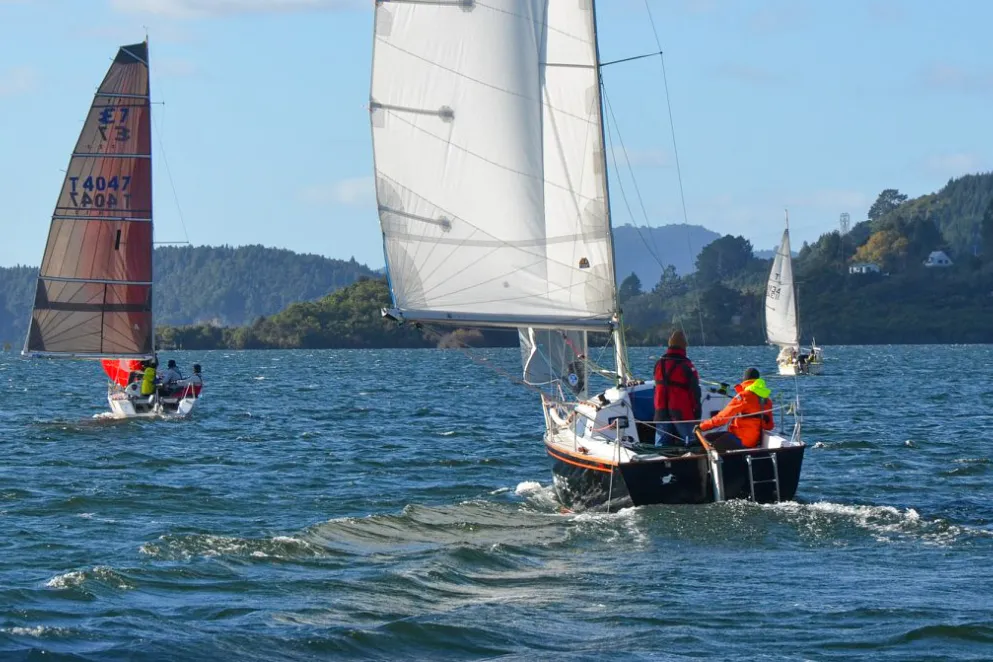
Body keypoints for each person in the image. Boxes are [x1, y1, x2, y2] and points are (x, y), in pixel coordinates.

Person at [696, 367, 774, 452]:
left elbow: (722, 418)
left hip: (741, 440)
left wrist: (701, 426)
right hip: (754, 441)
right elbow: (769, 426)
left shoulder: (744, 396)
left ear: (744, 380)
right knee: (709, 437)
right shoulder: (767, 401)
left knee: (707, 442)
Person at [652, 329, 701, 446]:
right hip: (681, 412)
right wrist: (697, 412)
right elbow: (695, 392)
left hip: (661, 411)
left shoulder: (659, 364)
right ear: (684, 345)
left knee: (661, 445)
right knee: (691, 442)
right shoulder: (687, 365)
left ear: (669, 343)